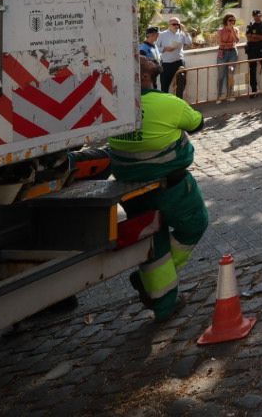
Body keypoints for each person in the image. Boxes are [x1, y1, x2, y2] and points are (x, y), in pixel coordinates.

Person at [106, 55, 209, 322]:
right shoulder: (168, 103)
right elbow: (197, 123)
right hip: (172, 188)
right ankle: (150, 283)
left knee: (154, 241)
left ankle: (163, 302)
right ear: (146, 76)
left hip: (130, 191)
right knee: (195, 224)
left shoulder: (113, 105)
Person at [156, 16, 192, 95]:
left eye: (178, 24)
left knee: (181, 84)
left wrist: (185, 31)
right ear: (169, 25)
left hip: (179, 62)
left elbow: (189, 42)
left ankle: (179, 100)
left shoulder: (182, 34)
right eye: (174, 24)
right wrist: (165, 49)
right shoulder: (162, 35)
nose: (176, 26)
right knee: (165, 86)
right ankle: (165, 102)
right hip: (167, 63)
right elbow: (155, 48)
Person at [244, 9, 262, 96]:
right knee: (252, 71)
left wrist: (255, 36)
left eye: (258, 15)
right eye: (255, 16)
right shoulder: (250, 25)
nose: (257, 17)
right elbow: (249, 38)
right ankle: (254, 91)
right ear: (253, 16)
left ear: (261, 15)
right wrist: (261, 37)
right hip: (252, 51)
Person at [214, 13, 240, 99]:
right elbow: (220, 42)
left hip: (233, 53)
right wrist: (230, 43)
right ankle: (219, 96)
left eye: (233, 20)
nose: (232, 22)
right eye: (230, 20)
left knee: (230, 74)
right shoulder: (220, 31)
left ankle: (230, 94)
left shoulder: (235, 30)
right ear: (226, 21)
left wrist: (232, 31)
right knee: (221, 75)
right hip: (222, 53)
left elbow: (237, 40)